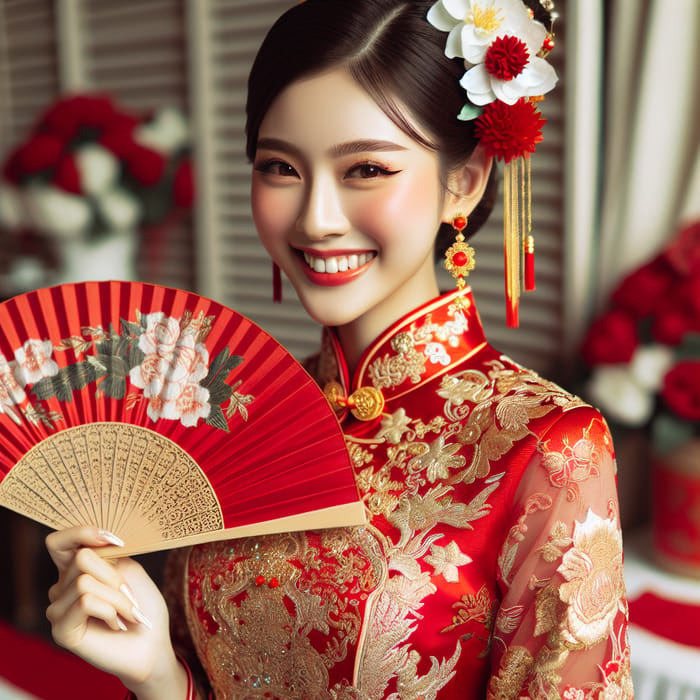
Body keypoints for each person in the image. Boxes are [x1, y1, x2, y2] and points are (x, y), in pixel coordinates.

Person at [45, 0, 632, 697]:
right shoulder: (236, 415)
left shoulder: (548, 449)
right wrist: (155, 672)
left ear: (464, 182)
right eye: (280, 168)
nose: (316, 218)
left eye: (366, 170)